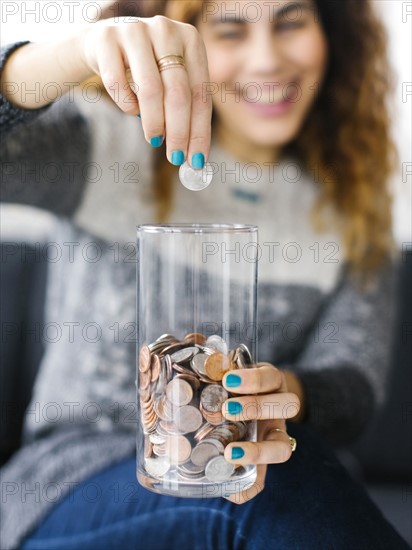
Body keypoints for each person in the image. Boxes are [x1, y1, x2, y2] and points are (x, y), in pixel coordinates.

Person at [0, 0, 408, 548]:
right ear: (187, 44)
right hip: (72, 488)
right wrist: (69, 54)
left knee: (276, 475)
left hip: (258, 467)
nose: (266, 61)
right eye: (231, 30)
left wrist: (276, 399)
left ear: (332, 34)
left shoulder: (354, 205)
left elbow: (353, 384)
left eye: (290, 22)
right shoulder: (108, 145)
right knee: (264, 496)